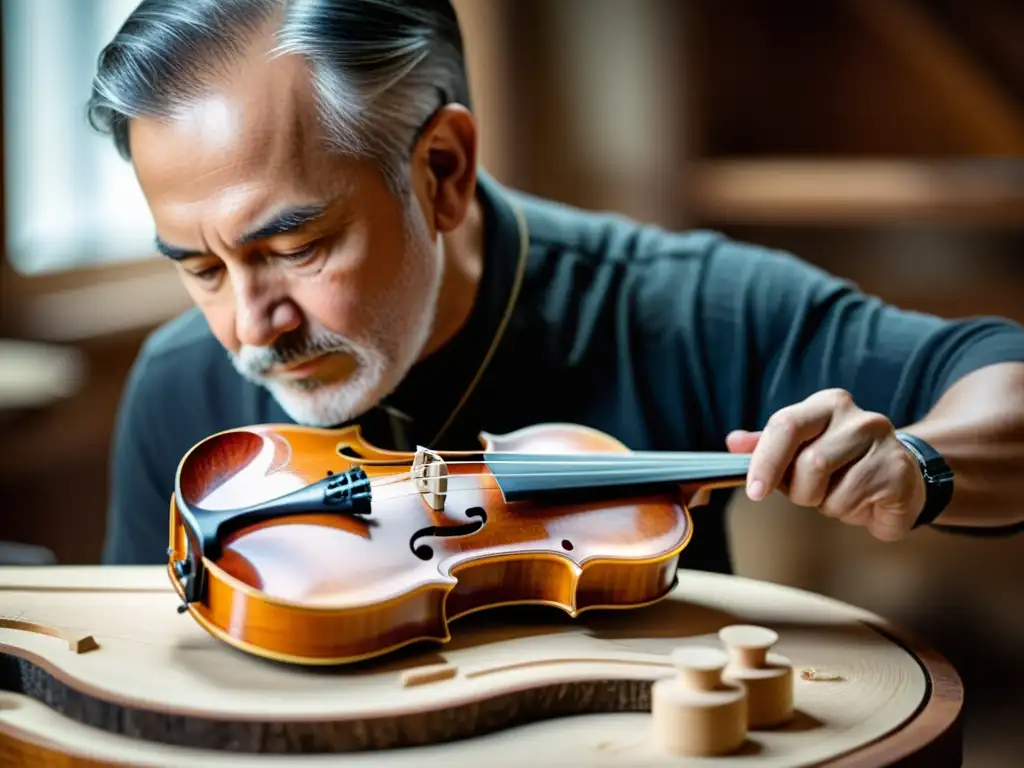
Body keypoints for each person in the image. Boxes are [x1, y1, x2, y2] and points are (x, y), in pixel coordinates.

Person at [91, 0, 1024, 572]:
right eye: (202, 268)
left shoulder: (676, 304)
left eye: (296, 247)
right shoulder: (179, 388)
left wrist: (920, 464)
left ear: (444, 170)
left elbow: (1003, 373)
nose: (251, 331)